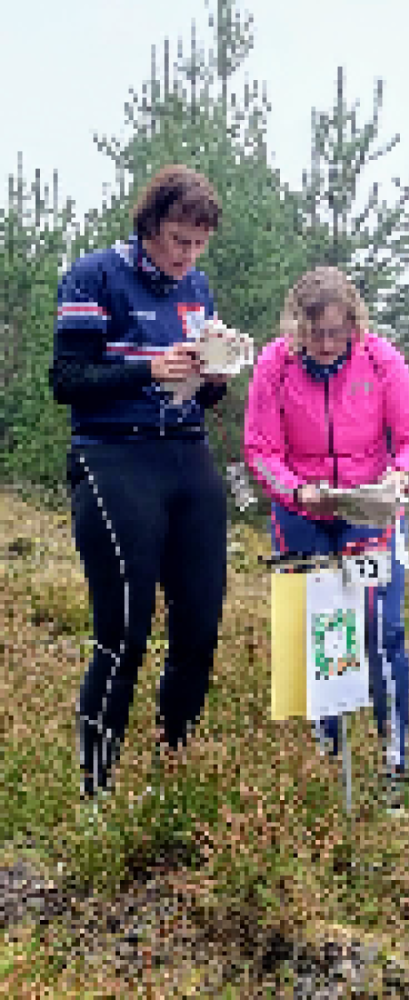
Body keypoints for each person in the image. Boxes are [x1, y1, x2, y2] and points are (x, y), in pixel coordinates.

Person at [49, 164, 231, 801]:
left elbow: (202, 400)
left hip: (186, 454)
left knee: (200, 624)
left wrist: (212, 377)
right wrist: (148, 369)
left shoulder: (198, 287)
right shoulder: (95, 275)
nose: (189, 255)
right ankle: (96, 788)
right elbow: (67, 380)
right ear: (150, 225)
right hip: (112, 458)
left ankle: (170, 771)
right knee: (123, 630)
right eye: (180, 240)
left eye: (200, 243)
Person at [244, 266, 409, 811]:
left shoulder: (380, 359)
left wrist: (401, 476)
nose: (326, 345)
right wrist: (297, 492)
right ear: (296, 327)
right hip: (302, 507)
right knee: (312, 629)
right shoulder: (273, 365)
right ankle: (325, 749)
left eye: (336, 332)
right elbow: (261, 451)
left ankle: (392, 754)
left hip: (368, 505)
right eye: (314, 333)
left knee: (379, 626)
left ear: (354, 324)